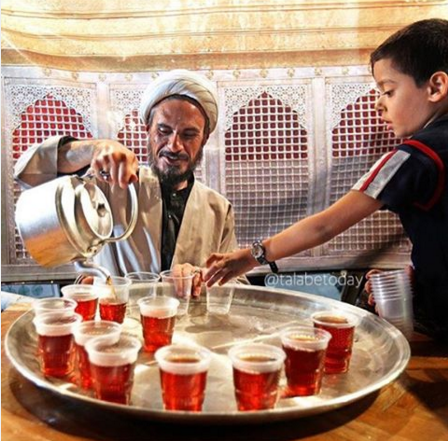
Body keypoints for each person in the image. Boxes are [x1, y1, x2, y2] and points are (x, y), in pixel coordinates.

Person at [205, 18, 448, 340]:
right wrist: (421, 273)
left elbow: (325, 226)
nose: (379, 104)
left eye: (388, 90)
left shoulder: (414, 157)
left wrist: (251, 256)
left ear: (436, 87)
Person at [14, 70, 245, 297]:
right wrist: (93, 149)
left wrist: (201, 278)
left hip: (188, 333)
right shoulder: (110, 185)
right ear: (148, 130)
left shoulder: (218, 209)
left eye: (188, 135)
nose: (174, 145)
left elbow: (238, 285)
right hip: (114, 328)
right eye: (163, 131)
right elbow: (28, 173)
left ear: (204, 138)